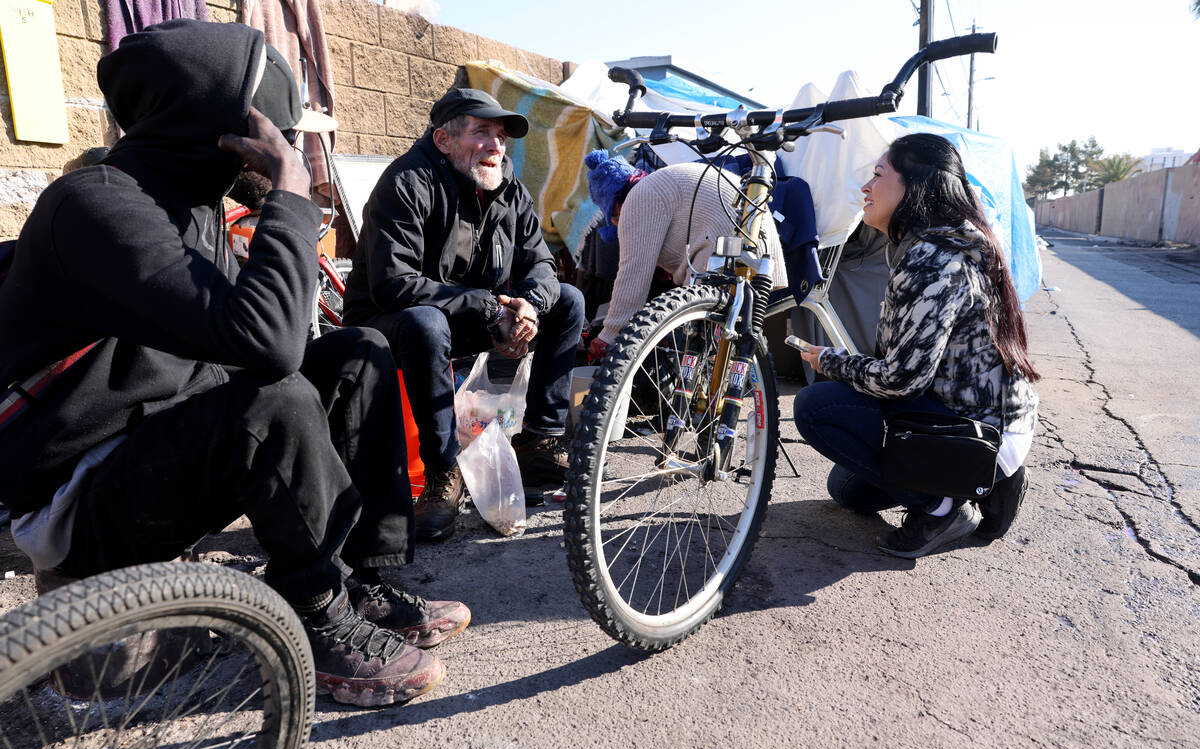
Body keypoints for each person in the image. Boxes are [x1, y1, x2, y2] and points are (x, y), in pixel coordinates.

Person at [0, 20, 469, 707]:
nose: (290, 147)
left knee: (357, 353)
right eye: (278, 133)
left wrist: (277, 210)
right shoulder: (96, 205)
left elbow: (258, 344)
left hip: (155, 444)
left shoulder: (190, 207)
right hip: (77, 500)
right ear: (219, 125)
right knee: (276, 399)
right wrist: (287, 194)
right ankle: (313, 611)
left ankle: (354, 578)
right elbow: (270, 348)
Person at [343, 88, 585, 541]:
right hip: (387, 322)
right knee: (425, 323)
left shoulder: (507, 186)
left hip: (472, 315)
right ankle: (441, 473)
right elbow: (394, 284)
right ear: (443, 140)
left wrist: (530, 304)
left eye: (500, 135)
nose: (496, 145)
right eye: (482, 133)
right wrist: (490, 306)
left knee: (567, 300)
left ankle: (538, 441)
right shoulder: (406, 183)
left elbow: (542, 263)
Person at [792, 132, 1040, 559]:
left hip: (975, 435)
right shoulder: (951, 241)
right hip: (984, 422)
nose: (865, 188)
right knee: (847, 491)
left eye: (877, 175)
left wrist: (831, 362)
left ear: (915, 186)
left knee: (817, 407)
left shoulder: (933, 257)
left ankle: (943, 508)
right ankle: (989, 483)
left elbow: (901, 379)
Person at [581, 151, 785, 362]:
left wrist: (608, 335)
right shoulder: (654, 185)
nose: (615, 223)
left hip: (725, 247)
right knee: (722, 347)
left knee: (692, 348)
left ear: (615, 202)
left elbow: (632, 277)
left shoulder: (637, 197)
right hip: (759, 248)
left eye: (612, 217)